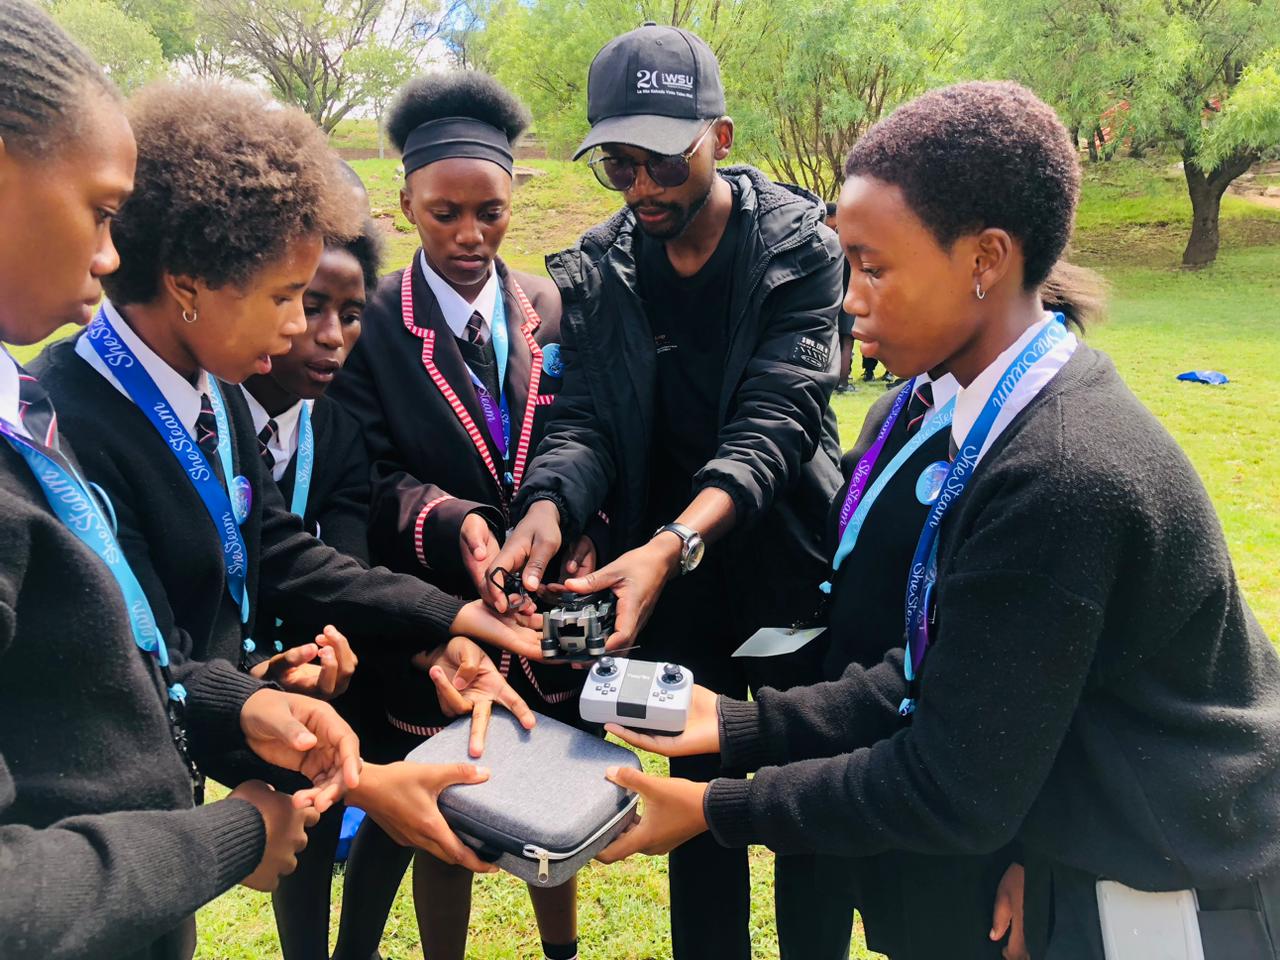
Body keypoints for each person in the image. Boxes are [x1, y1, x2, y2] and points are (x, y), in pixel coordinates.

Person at [596, 81, 1280, 960]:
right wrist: (740, 726)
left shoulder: (1057, 474)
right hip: (1103, 848)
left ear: (985, 259)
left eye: (874, 268)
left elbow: (952, 785)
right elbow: (940, 663)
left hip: (1172, 886)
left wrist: (713, 806)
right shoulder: (966, 412)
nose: (849, 299)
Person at [32, 79, 542, 958]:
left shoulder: (215, 393)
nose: (304, 332)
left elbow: (280, 550)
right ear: (190, 287)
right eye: (286, 299)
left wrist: (452, 618)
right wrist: (360, 776)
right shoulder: (66, 419)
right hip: (75, 840)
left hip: (165, 799)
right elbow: (139, 651)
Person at [0, 5, 368, 957]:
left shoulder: (28, 415)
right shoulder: (66, 411)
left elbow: (101, 671)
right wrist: (233, 834)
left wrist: (237, 699)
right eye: (99, 211)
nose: (110, 254)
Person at [484, 23, 844, 960]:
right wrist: (548, 505)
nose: (642, 186)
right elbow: (586, 419)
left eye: (663, 160)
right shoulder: (602, 267)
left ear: (718, 139)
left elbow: (777, 423)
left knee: (803, 806)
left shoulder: (801, 250)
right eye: (619, 164)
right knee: (694, 813)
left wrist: (673, 543)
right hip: (669, 590)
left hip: (787, 571)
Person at [328, 70, 585, 960]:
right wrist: (452, 522)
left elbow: (581, 436)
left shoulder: (548, 308)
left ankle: (562, 951)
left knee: (555, 796)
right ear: (406, 204)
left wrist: (577, 527)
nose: (470, 235)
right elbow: (365, 474)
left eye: (491, 213)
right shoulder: (372, 323)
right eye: (445, 214)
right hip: (435, 615)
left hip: (544, 611)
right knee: (445, 814)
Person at [239, 217, 385, 958]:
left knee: (318, 800)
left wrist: (326, 650)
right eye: (310, 305)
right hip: (213, 673)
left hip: (305, 672)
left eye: (351, 315)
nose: (331, 337)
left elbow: (341, 567)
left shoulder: (339, 434)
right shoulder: (203, 418)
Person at [826, 201, 855, 394]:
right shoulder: (852, 248)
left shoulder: (833, 244)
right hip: (849, 298)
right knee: (847, 343)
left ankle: (832, 380)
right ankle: (843, 382)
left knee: (834, 342)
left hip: (834, 297)